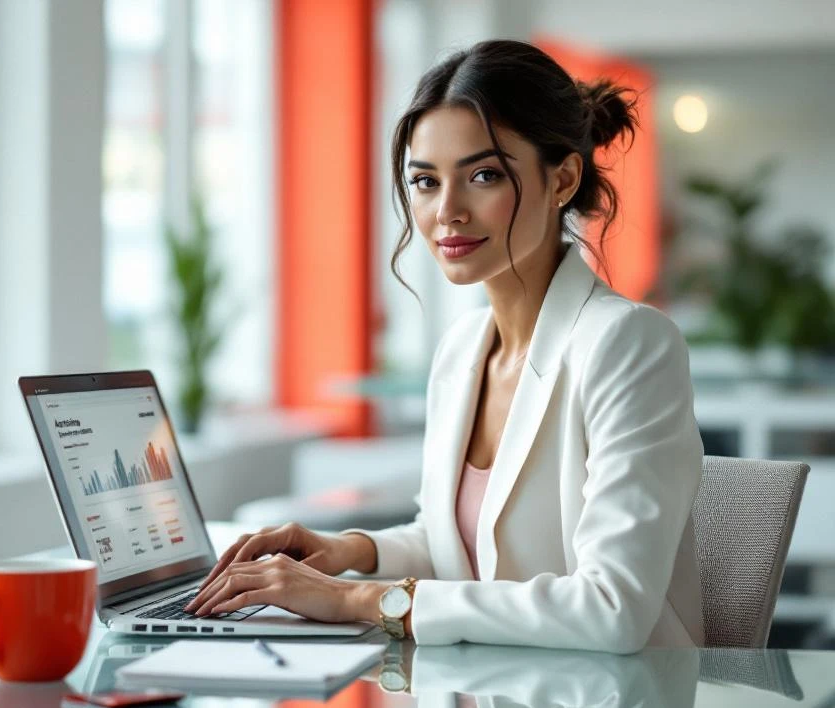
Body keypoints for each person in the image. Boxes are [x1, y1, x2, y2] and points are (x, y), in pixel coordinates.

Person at [185, 39, 704, 652]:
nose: (447, 211)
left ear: (562, 178)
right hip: (480, 704)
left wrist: (355, 598)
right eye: (425, 182)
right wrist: (346, 551)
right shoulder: (462, 350)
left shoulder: (627, 344)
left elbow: (611, 608)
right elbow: (457, 547)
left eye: (483, 175)